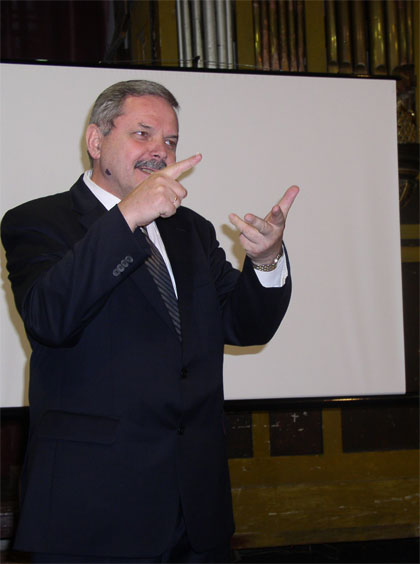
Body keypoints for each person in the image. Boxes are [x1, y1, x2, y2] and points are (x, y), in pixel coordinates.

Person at [1, 80, 299, 563]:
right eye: (143, 134)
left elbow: (246, 326)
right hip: (94, 513)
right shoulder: (37, 221)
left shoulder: (191, 230)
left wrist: (265, 261)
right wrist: (126, 217)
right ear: (96, 141)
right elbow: (50, 318)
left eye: (171, 140)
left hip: (196, 511)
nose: (160, 150)